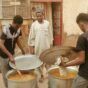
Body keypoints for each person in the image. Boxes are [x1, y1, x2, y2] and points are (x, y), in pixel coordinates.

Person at [61, 13, 88, 88]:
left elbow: (81, 59)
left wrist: (65, 65)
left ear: (81, 24)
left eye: (79, 26)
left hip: (85, 75)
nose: (80, 28)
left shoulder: (83, 37)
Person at [0, 15, 25, 88]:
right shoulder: (6, 29)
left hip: (12, 54)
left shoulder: (18, 29)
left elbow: (17, 40)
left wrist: (22, 49)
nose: (18, 28)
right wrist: (9, 55)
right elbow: (1, 44)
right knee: (6, 75)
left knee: (14, 72)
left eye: (19, 26)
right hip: (3, 56)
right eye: (17, 26)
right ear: (13, 22)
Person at [28, 9, 53, 81]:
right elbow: (31, 37)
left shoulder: (47, 23)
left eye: (40, 16)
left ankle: (50, 76)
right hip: (38, 47)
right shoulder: (34, 25)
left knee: (48, 62)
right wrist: (32, 48)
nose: (39, 17)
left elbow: (50, 35)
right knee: (39, 63)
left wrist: (51, 46)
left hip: (46, 47)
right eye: (37, 16)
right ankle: (41, 75)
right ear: (36, 17)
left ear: (43, 15)